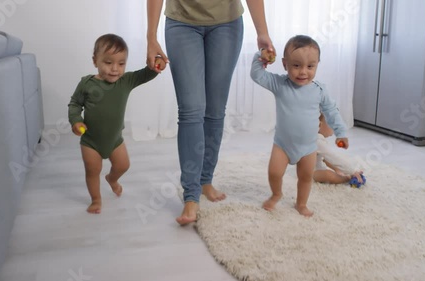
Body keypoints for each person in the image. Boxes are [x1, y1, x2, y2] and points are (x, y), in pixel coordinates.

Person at [146, 0, 275, 225]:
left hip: (227, 24)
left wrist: (262, 32)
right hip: (181, 23)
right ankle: (191, 195)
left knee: (215, 110)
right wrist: (151, 37)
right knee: (190, 110)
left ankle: (205, 180)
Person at [250, 35, 348, 217]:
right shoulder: (280, 84)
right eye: (296, 65)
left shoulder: (319, 89)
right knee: (274, 172)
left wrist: (341, 132)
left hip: (308, 146)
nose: (303, 72)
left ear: (317, 64)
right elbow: (257, 75)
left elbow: (331, 111)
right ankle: (276, 194)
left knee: (305, 177)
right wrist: (260, 56)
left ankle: (301, 204)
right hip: (283, 145)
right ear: (285, 64)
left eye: (310, 66)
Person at [68, 34, 166, 214]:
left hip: (115, 140)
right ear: (95, 61)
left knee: (123, 166)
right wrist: (76, 121)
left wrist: (157, 65)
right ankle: (96, 200)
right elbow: (75, 104)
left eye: (121, 64)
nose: (115, 69)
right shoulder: (87, 84)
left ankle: (112, 179)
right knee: (92, 171)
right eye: (108, 62)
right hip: (91, 141)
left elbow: (146, 74)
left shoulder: (126, 81)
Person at [314, 113, 364, 185]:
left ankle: (339, 171)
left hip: (314, 169)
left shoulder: (318, 138)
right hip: (310, 172)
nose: (334, 129)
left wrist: (336, 168)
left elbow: (325, 159)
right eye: (332, 126)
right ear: (320, 125)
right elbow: (333, 157)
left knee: (327, 160)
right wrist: (352, 171)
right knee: (328, 174)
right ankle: (347, 178)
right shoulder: (317, 141)